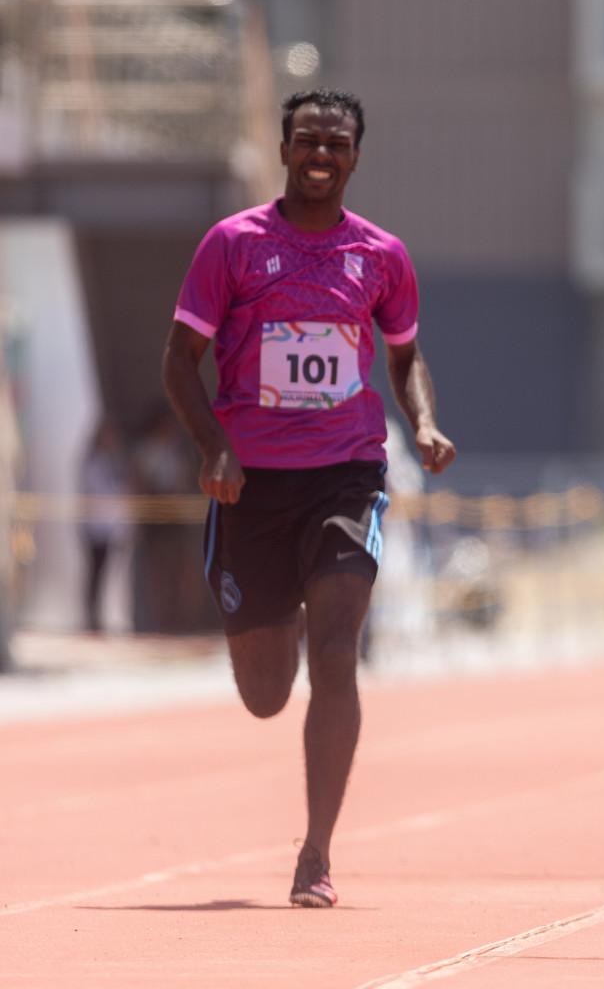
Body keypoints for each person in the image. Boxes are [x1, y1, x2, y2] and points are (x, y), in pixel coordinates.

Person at [162, 89, 455, 907]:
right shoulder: (233, 244)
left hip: (345, 473)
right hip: (249, 483)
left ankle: (317, 853)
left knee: (337, 654)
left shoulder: (382, 256)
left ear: (356, 156)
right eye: (306, 140)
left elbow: (404, 357)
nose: (320, 154)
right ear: (284, 148)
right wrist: (214, 445)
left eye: (336, 143)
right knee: (265, 695)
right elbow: (179, 359)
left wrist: (424, 423)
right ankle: (270, 604)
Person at [79, 419, 130, 632]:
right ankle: (92, 617)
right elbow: (98, 493)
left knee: (107, 575)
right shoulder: (93, 463)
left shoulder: (111, 463)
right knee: (95, 574)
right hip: (95, 528)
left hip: (110, 528)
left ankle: (105, 615)